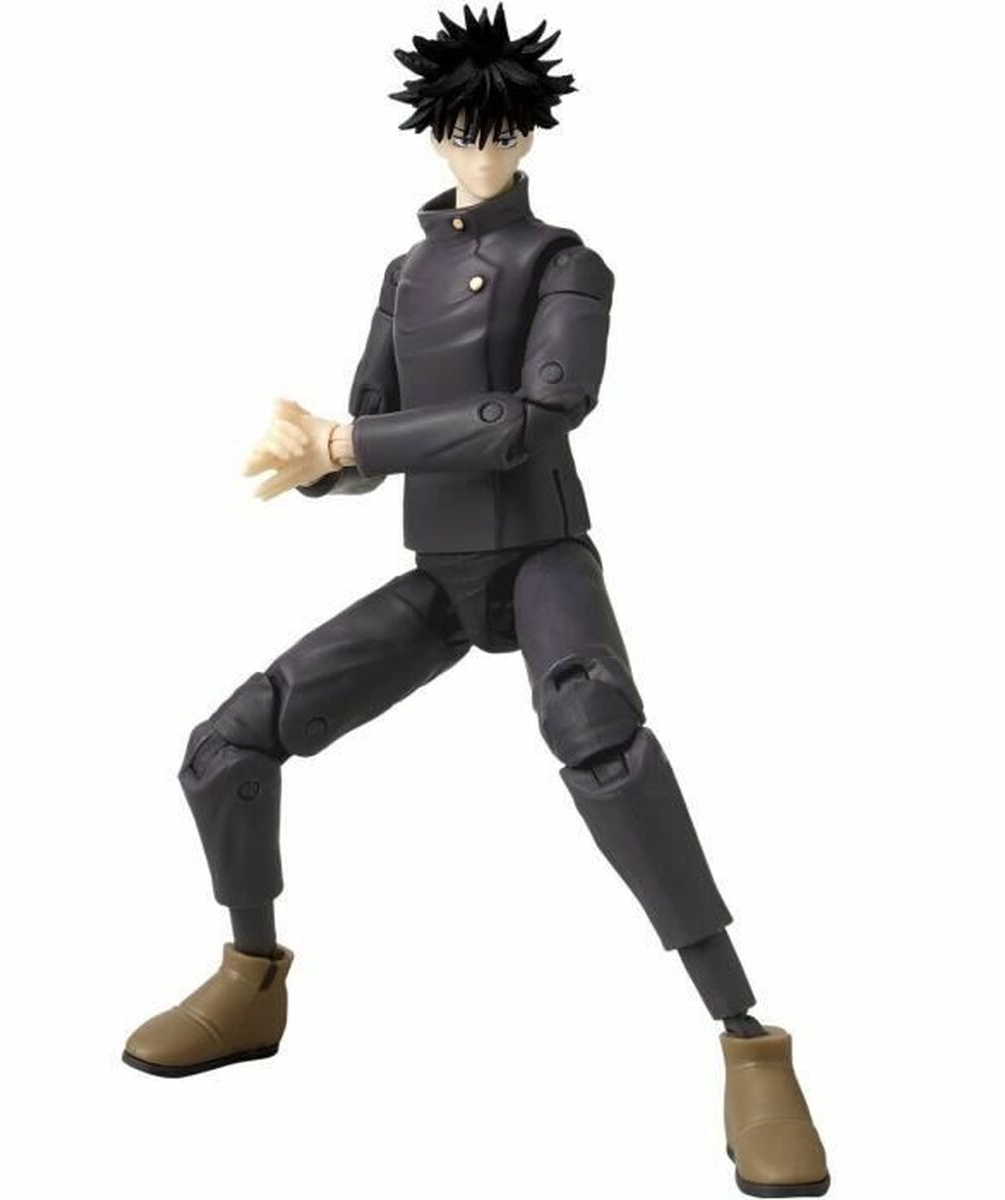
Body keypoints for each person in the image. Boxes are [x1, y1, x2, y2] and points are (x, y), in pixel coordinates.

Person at [123, 6, 829, 1196]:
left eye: (500, 128)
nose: (481, 147)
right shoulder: (402, 277)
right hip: (442, 576)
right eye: (461, 127)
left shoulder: (566, 265)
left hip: (542, 554)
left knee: (603, 742)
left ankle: (748, 1040)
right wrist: (319, 461)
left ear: (531, 133)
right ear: (433, 134)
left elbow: (536, 417)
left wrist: (353, 443)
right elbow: (372, 431)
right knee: (226, 744)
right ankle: (250, 978)